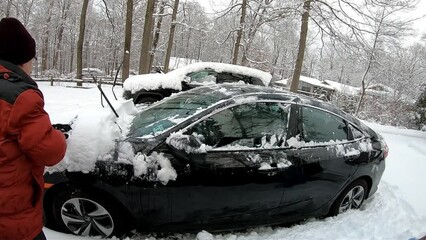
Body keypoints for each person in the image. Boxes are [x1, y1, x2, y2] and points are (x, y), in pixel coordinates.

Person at [0, 18, 67, 240]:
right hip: (11, 214)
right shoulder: (20, 96)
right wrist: (57, 135)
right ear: (21, 60)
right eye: (31, 59)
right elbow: (50, 152)